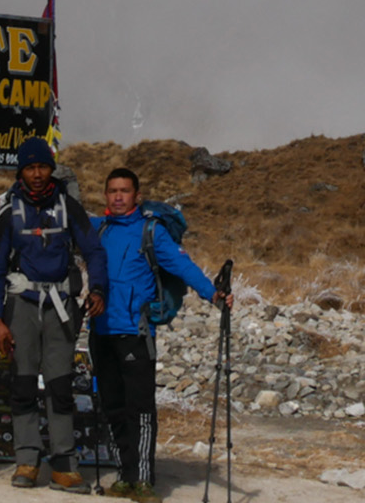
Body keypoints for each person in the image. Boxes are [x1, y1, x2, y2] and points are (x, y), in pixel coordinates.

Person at [90, 168, 223, 502]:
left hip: (136, 334)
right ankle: (124, 476)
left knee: (141, 409)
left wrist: (214, 294)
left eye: (124, 191)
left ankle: (145, 482)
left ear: (136, 195)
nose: (118, 197)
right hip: (101, 332)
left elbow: (184, 267)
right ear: (105, 195)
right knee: (113, 408)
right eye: (112, 191)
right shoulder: (99, 230)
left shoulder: (152, 232)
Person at [0, 136, 108, 492]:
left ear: (51, 169)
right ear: (20, 171)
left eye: (43, 166)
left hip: (61, 307)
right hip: (20, 307)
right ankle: (26, 461)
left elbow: (95, 252)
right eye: (30, 167)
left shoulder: (69, 208)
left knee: (60, 386)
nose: (37, 174)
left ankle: (65, 465)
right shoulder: (7, 212)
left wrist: (98, 288)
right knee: (23, 384)